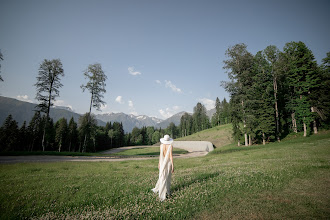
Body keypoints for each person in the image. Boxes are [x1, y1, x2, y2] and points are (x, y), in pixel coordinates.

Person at [151, 134, 174, 201]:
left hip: (162, 162)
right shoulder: (170, 146)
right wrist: (173, 165)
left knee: (162, 177)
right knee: (167, 177)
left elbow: (160, 155)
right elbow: (171, 156)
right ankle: (166, 191)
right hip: (168, 163)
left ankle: (162, 191)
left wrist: (159, 163)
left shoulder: (161, 146)